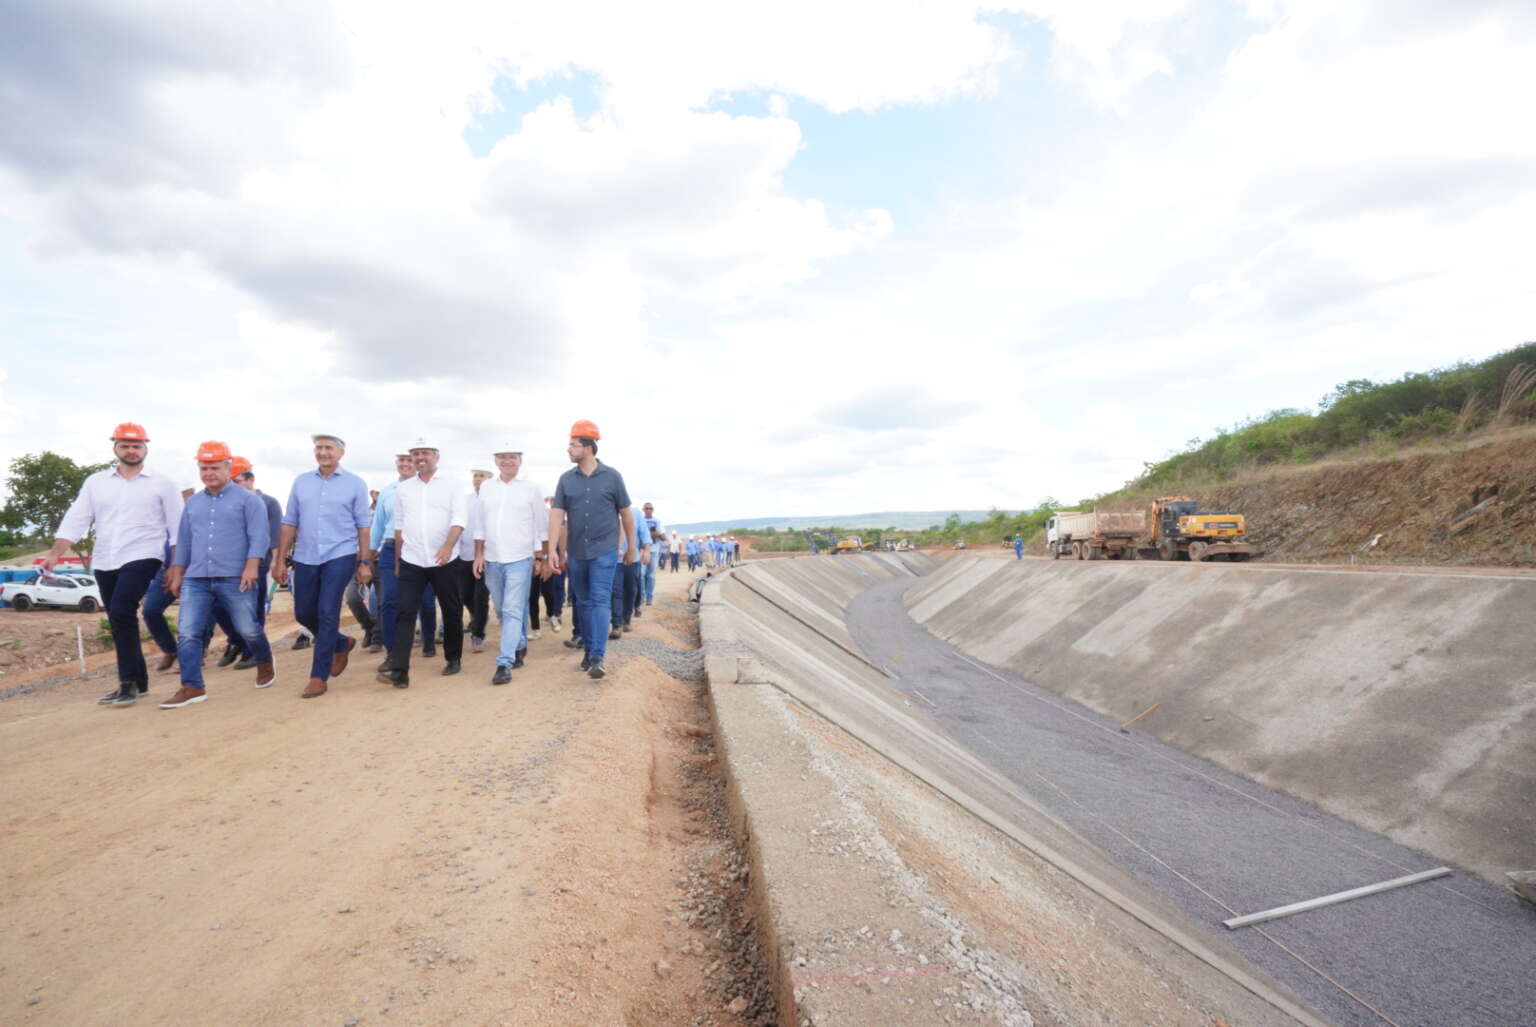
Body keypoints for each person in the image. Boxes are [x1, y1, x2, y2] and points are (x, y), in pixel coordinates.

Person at [46, 422, 184, 706]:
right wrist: (54, 553)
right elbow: (77, 518)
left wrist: (175, 566)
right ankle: (140, 682)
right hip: (106, 557)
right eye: (125, 445)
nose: (131, 450)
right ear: (115, 448)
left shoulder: (163, 483)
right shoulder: (96, 483)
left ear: (146, 448)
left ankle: (128, 683)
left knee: (122, 610)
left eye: (136, 445)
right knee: (118, 617)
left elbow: (178, 528)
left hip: (144, 553)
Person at [161, 441, 277, 708]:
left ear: (227, 467)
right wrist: (178, 573)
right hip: (196, 577)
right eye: (204, 468)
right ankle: (192, 686)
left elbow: (259, 536)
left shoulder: (249, 500)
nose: (209, 473)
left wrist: (250, 567)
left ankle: (264, 659)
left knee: (248, 628)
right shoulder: (193, 504)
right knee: (188, 632)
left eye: (214, 467)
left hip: (234, 575)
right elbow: (185, 540)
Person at [272, 434, 373, 699]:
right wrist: (280, 559)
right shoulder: (301, 482)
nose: (323, 452)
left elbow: (364, 526)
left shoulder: (355, 484)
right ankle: (341, 642)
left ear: (340, 453)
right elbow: (289, 522)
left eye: (328, 448)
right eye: (319, 448)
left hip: (340, 553)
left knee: (327, 610)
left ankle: (318, 676)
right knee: (304, 612)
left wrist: (364, 562)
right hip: (306, 555)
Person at [548, 419, 635, 680]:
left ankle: (598, 655)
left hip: (604, 550)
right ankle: (588, 650)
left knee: (598, 599)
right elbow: (556, 516)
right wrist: (553, 550)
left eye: (572, 445)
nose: (568, 450)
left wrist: (631, 547)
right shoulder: (565, 480)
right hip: (576, 552)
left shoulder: (613, 477)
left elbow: (626, 515)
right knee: (581, 603)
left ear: (587, 447)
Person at [379, 439, 467, 687]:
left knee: (451, 609)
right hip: (412, 559)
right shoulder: (404, 489)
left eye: (425, 453)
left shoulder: (452, 485)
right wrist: (398, 560)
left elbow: (460, 518)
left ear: (436, 456)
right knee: (405, 612)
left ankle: (453, 657)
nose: (420, 457)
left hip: (445, 560)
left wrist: (448, 546)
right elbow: (398, 527)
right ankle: (399, 670)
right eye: (415, 453)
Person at [473, 445, 546, 685]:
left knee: (513, 609)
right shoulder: (486, 488)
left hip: (520, 558)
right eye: (502, 457)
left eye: (512, 457)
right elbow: (480, 524)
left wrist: (541, 557)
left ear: (520, 460)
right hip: (493, 559)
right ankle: (519, 644)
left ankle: (504, 663)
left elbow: (541, 525)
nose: (507, 461)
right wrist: (479, 554)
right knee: (503, 609)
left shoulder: (531, 488)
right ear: (495, 461)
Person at [211, 456, 283, 670]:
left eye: (237, 480)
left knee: (252, 608)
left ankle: (254, 652)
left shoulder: (268, 503)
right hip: (226, 563)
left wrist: (276, 562)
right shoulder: (222, 502)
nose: (232, 485)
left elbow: (274, 535)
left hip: (258, 562)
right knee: (217, 605)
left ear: (250, 480)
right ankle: (237, 641)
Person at [369, 452, 439, 664]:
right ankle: (392, 652)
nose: (406, 464)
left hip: (419, 547)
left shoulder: (429, 488)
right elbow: (378, 525)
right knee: (389, 601)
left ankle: (428, 639)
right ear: (397, 464)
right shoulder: (388, 492)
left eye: (410, 460)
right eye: (402, 461)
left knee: (426, 601)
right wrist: (368, 557)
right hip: (391, 547)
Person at [458, 469, 493, 653]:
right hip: (465, 554)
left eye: (482, 475)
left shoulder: (494, 498)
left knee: (481, 597)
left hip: (487, 556)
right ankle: (477, 617)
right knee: (465, 595)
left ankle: (478, 634)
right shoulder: (466, 500)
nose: (478, 479)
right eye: (475, 475)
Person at [639, 503, 664, 606]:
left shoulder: (657, 521)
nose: (648, 510)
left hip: (654, 551)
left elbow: (662, 536)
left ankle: (649, 597)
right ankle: (642, 596)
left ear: (653, 510)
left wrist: (651, 534)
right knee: (641, 574)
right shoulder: (640, 520)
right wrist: (653, 533)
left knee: (651, 575)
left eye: (650, 508)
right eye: (646, 508)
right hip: (642, 551)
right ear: (643, 509)